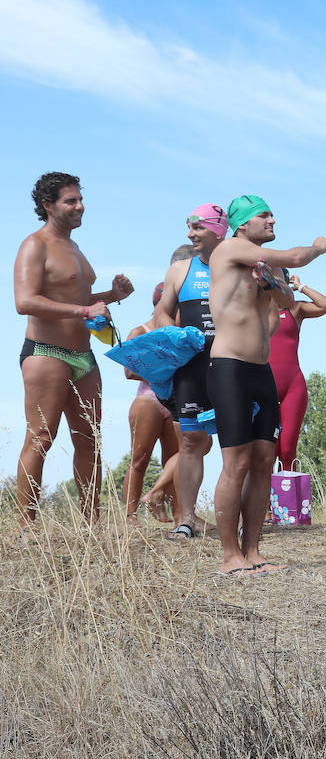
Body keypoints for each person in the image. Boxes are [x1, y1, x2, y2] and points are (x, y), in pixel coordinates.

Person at [208, 195, 326, 576]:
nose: (272, 219)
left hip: (263, 370)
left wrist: (269, 282)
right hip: (230, 366)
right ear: (243, 224)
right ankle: (230, 557)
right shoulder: (229, 248)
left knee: (264, 461)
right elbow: (296, 258)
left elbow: (285, 300)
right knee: (237, 462)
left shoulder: (266, 265)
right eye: (264, 215)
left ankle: (254, 550)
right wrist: (317, 248)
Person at [13, 172, 133, 526]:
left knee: (89, 441)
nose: (80, 206)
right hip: (46, 352)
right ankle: (26, 527)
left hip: (84, 356)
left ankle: (90, 523)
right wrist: (84, 310)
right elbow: (25, 301)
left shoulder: (75, 247)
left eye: (80, 199)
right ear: (48, 206)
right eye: (71, 201)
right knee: (41, 438)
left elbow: (76, 298)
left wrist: (112, 296)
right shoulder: (35, 245)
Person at [154, 204, 228, 541]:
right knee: (191, 441)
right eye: (189, 227)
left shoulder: (239, 266)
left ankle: (231, 518)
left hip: (231, 364)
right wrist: (176, 335)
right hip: (191, 367)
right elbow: (163, 313)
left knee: (236, 442)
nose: (189, 234)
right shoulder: (180, 270)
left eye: (197, 227)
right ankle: (185, 520)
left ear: (218, 229)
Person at [123, 283, 181, 523]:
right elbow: (128, 371)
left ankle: (178, 513)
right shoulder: (140, 331)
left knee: (176, 459)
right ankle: (130, 515)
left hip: (176, 401)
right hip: (149, 399)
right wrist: (161, 374)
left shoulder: (183, 333)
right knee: (139, 459)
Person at [268, 273, 326, 471]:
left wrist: (300, 287)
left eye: (279, 277)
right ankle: (262, 503)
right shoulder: (257, 309)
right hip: (263, 385)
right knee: (267, 452)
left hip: (292, 387)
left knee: (287, 450)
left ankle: (288, 503)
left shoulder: (295, 309)